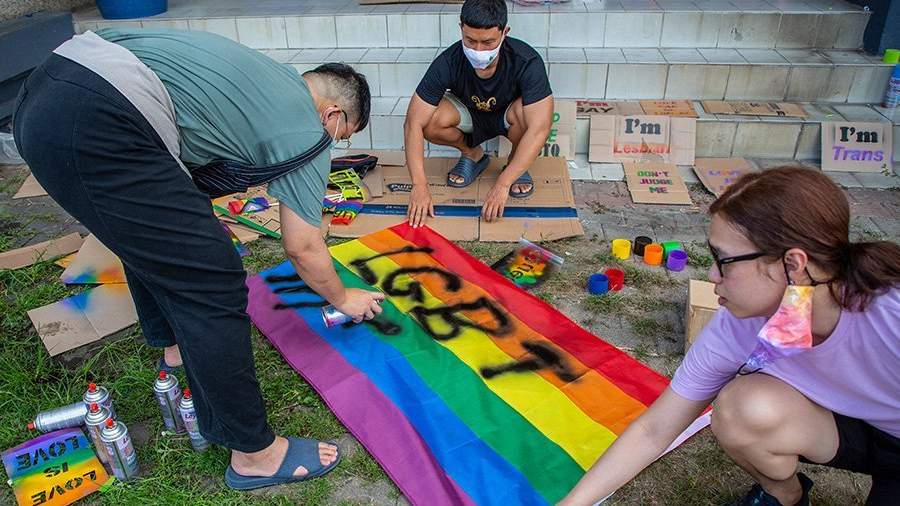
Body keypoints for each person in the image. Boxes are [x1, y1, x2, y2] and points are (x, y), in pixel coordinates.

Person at [13, 28, 385, 490]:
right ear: (332, 114)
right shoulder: (307, 130)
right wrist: (342, 296)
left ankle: (174, 351)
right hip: (99, 117)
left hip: (43, 92)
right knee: (213, 274)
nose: (333, 144)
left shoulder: (263, 78)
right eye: (341, 134)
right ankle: (255, 455)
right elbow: (303, 246)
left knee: (155, 239)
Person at [560, 167, 899, 506]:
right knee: (740, 408)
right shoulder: (739, 324)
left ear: (793, 265)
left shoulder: (890, 310)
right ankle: (786, 498)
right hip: (845, 432)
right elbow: (655, 429)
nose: (711, 274)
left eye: (724, 260)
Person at [404, 0, 554, 226]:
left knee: (530, 117)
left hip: (509, 116)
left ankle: (515, 164)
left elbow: (540, 128)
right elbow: (413, 123)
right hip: (469, 113)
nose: (478, 50)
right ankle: (472, 154)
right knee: (429, 120)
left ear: (505, 33)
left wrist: (503, 184)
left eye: (488, 42)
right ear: (461, 29)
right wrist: (419, 186)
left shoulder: (526, 61)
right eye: (470, 40)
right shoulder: (448, 61)